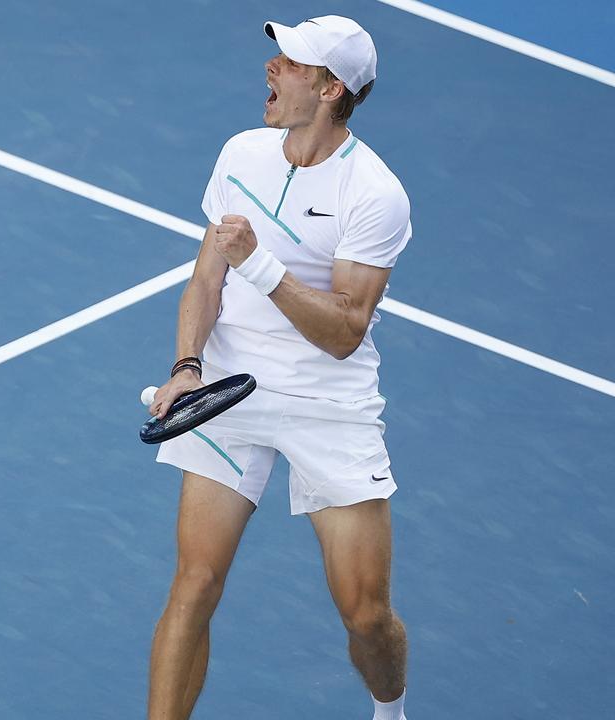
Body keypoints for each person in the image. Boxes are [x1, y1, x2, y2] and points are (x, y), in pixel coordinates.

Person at [146, 15, 412, 720]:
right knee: (194, 584)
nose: (272, 68)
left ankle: (390, 709)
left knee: (365, 615)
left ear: (330, 90)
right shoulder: (241, 153)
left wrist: (259, 265)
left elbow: (345, 333)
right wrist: (186, 366)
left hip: (329, 402)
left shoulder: (375, 195)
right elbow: (205, 282)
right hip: (230, 391)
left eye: (290, 63)